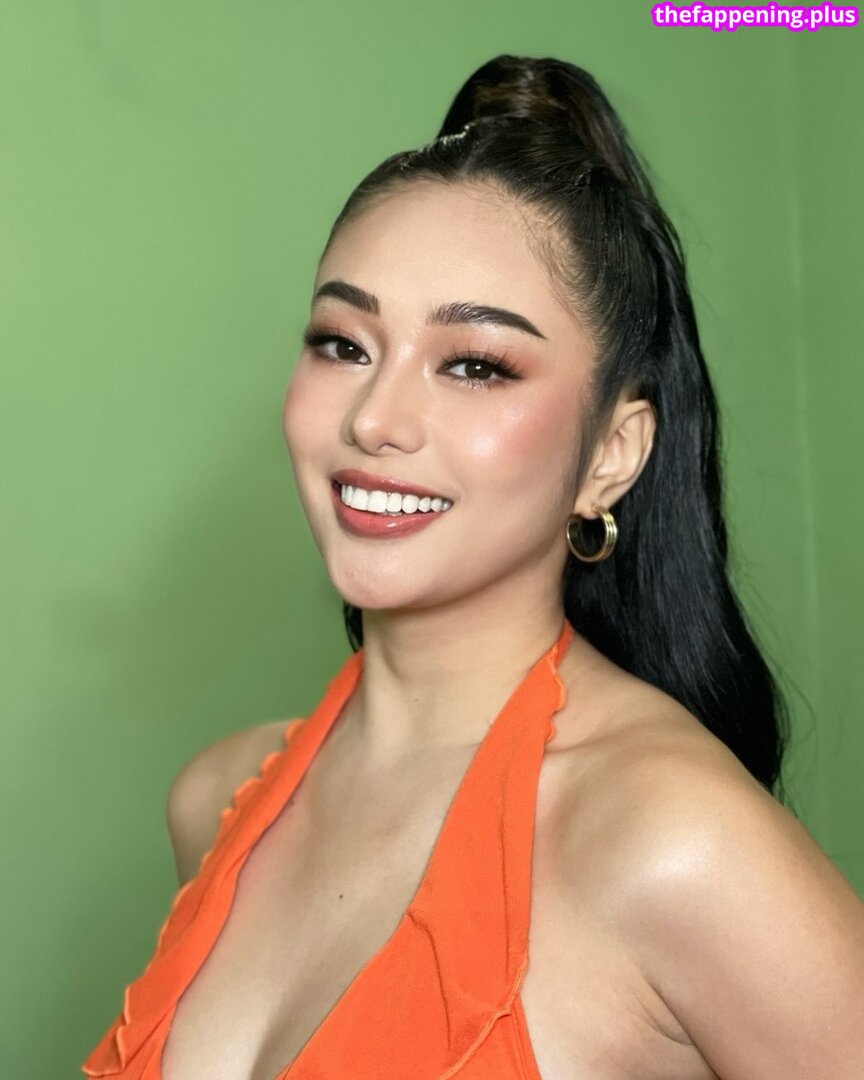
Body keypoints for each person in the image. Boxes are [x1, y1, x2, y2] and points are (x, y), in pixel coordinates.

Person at [82, 54, 864, 1080]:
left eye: (476, 365)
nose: (375, 419)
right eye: (343, 344)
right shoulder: (217, 801)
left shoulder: (675, 843)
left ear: (611, 453)